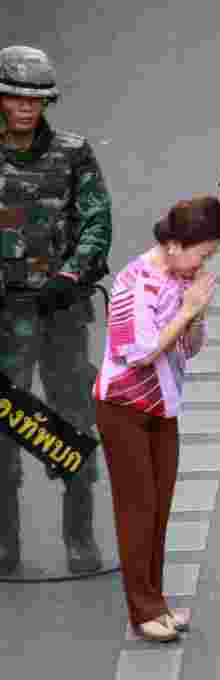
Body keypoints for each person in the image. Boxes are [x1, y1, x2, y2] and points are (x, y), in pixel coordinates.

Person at [0, 45, 113, 574]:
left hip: (62, 313)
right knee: (4, 426)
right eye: (17, 97)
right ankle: (5, 541)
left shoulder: (74, 152)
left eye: (36, 99)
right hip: (4, 315)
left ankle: (80, 537)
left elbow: (96, 220)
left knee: (72, 421)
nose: (26, 108)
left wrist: (71, 275)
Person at [94, 196, 220, 642]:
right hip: (124, 407)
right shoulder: (135, 281)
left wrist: (197, 314)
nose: (202, 264)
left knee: (160, 509)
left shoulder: (179, 279)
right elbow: (139, 352)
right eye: (200, 254)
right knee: (137, 510)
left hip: (162, 406)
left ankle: (157, 602)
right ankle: (143, 608)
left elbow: (189, 348)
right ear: (172, 244)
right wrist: (188, 308)